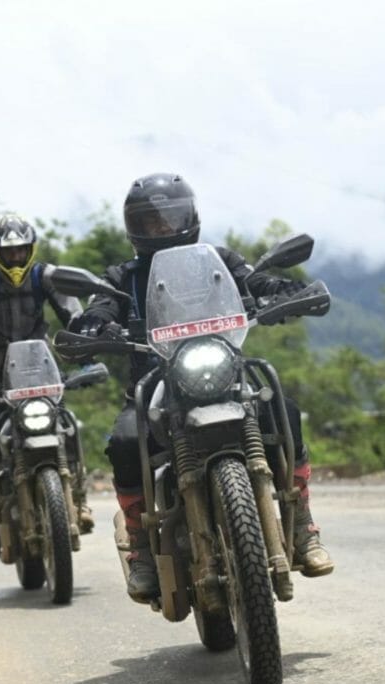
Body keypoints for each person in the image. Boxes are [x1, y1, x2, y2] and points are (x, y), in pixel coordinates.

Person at [71, 173, 334, 601]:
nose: (162, 229)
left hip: (225, 372)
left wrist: (286, 292)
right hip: (156, 382)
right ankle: (140, 545)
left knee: (281, 409)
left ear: (189, 218)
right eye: (151, 222)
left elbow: (255, 282)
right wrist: (92, 324)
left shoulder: (221, 261)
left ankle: (302, 523)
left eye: (169, 218)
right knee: (123, 442)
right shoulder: (123, 276)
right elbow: (101, 304)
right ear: (135, 227)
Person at [0, 213, 89, 554]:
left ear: (31, 249)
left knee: (67, 428)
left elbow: (75, 316)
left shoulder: (47, 277)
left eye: (21, 251)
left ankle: (80, 497)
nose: (15, 258)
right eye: (8, 252)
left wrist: (86, 349)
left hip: (41, 370)